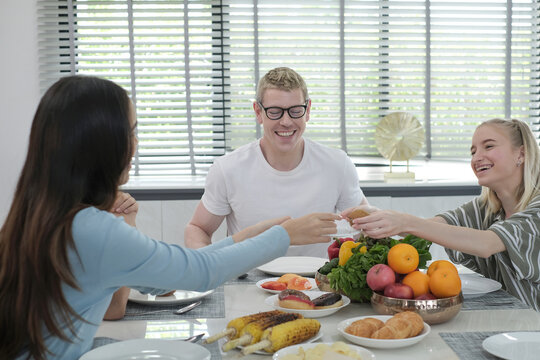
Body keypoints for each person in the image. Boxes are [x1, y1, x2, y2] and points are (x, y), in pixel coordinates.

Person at [0, 75, 341, 360]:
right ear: (102, 146)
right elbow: (199, 273)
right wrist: (285, 235)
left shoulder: (40, 211)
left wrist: (244, 236)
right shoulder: (92, 229)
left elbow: (165, 276)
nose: (137, 143)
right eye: (131, 132)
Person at [345, 118, 540, 311]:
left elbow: (487, 244)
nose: (476, 158)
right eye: (473, 152)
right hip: (510, 320)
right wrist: (379, 216)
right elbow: (434, 226)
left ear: (521, 154)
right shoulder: (486, 207)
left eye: (488, 146)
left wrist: (403, 222)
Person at [185, 67, 369, 256]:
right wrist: (208, 265)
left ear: (308, 111)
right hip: (248, 281)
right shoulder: (228, 169)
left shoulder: (337, 164)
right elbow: (198, 228)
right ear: (258, 112)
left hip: (318, 282)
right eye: (275, 112)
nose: (286, 122)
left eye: (295, 110)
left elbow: (364, 225)